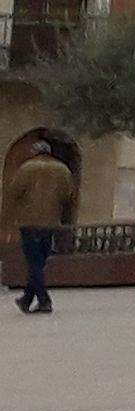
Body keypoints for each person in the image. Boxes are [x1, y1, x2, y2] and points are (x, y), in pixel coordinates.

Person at [6, 135, 76, 315]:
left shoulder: (27, 168)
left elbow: (14, 192)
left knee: (33, 261)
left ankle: (44, 300)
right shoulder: (62, 170)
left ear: (35, 153)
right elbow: (68, 194)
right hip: (50, 222)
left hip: (28, 222)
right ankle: (27, 298)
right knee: (40, 261)